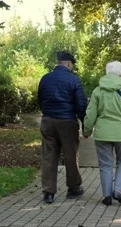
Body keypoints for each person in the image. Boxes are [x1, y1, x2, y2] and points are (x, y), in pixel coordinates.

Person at [83, 61, 121, 206]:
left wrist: (87, 130)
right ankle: (117, 190)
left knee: (105, 165)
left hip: (103, 134)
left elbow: (91, 114)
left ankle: (106, 195)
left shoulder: (98, 91)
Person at [38, 51, 87, 204]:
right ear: (68, 64)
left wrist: (47, 113)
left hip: (48, 120)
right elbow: (80, 104)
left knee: (49, 156)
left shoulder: (45, 79)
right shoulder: (74, 80)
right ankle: (73, 188)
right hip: (67, 121)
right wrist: (83, 120)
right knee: (71, 156)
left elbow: (40, 99)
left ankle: (49, 192)